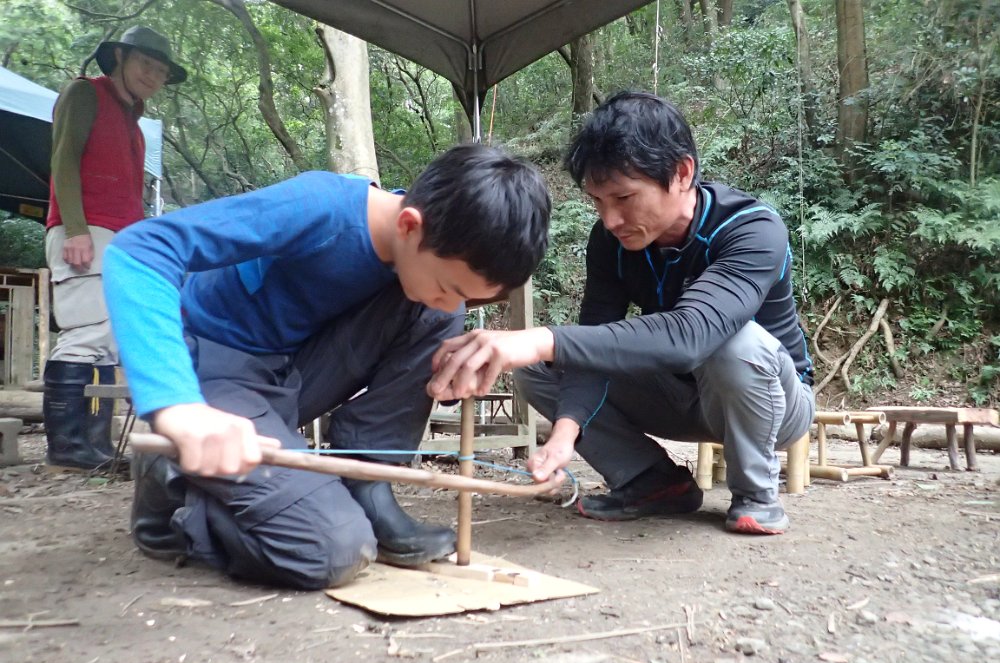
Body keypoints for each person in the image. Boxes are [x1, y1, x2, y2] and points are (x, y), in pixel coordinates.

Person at [102, 143, 550, 590]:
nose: (453, 304)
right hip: (218, 369)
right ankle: (175, 486)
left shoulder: (421, 255)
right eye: (448, 286)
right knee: (333, 550)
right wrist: (177, 406)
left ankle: (363, 481)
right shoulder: (320, 208)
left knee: (436, 315)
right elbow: (141, 249)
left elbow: (431, 309)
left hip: (286, 373)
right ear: (410, 226)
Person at [427, 92, 815, 535]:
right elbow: (593, 344)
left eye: (624, 197)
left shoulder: (752, 229)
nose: (610, 219)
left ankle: (755, 494)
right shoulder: (611, 242)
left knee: (734, 342)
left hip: (772, 401)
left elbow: (689, 336)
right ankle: (652, 482)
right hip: (675, 395)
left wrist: (538, 337)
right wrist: (565, 434)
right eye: (597, 201)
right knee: (538, 367)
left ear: (682, 173)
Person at [44, 26, 186, 471]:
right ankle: (67, 447)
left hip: (122, 239)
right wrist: (75, 229)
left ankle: (95, 445)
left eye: (161, 71)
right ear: (120, 57)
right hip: (86, 228)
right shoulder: (85, 93)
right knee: (85, 332)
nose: (153, 75)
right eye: (146, 64)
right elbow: (64, 158)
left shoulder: (135, 123)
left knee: (106, 340)